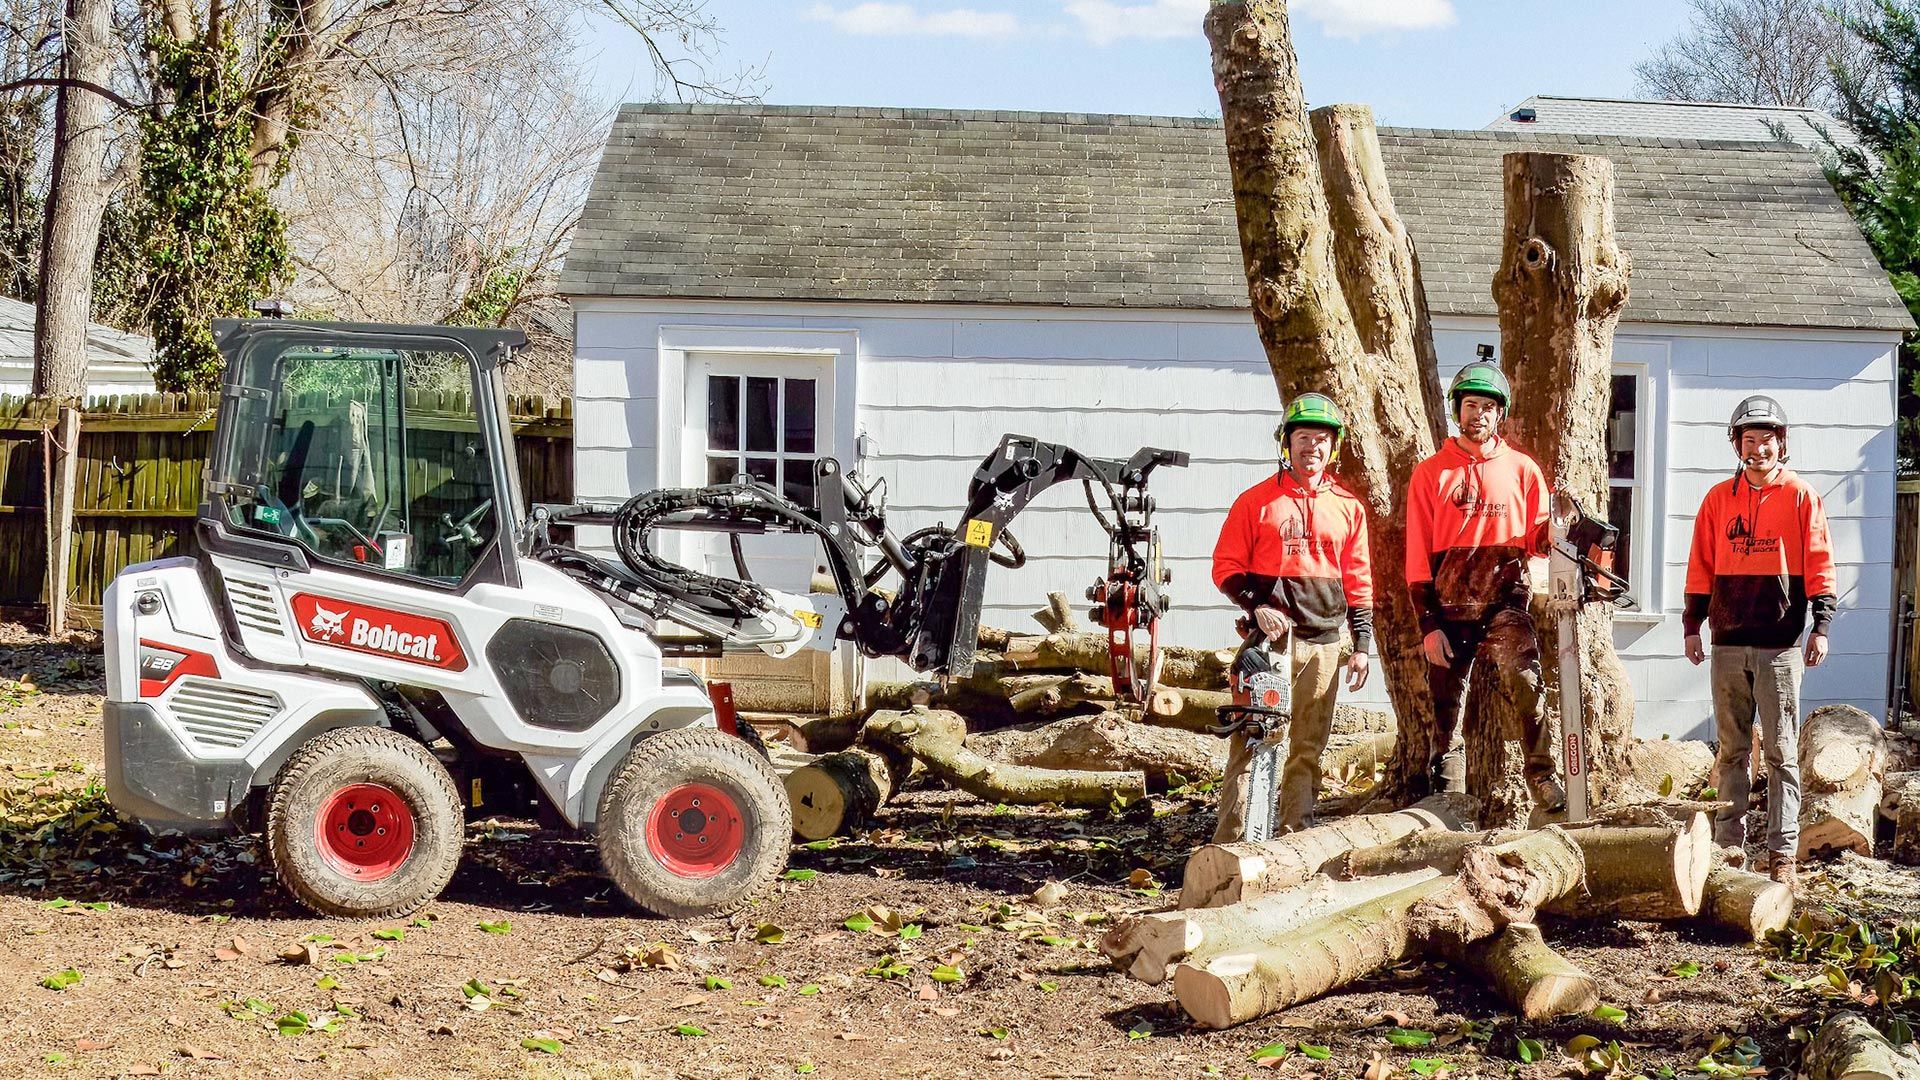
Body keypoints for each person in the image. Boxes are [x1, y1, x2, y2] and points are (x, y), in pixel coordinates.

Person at [1684, 395, 1835, 890]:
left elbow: (1819, 562)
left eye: (1767, 439)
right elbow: (1700, 567)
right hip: (1727, 641)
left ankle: (1781, 856)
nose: (1758, 448)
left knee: (1782, 751)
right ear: (1737, 446)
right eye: (1749, 440)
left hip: (1781, 644)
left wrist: (1821, 626)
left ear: (1781, 443)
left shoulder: (1800, 496)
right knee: (1731, 751)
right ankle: (1729, 851)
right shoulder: (1716, 500)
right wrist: (1692, 625)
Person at [1210, 393, 1373, 841]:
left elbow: (1358, 578)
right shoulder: (1256, 501)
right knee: (1252, 742)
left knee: (1307, 748)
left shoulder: (1348, 507)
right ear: (1287, 442)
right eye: (1304, 438)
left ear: (1333, 447)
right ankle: (1232, 841)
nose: (1312, 448)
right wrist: (1255, 606)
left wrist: (1361, 646)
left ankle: (1293, 839)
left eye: (1321, 440)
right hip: (1270, 646)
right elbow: (1225, 567)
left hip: (1325, 643)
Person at [1405, 359, 1562, 810]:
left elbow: (1537, 538)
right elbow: (1416, 555)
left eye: (1489, 406)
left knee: (1526, 679)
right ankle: (1445, 794)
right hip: (1448, 606)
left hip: (1505, 600)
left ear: (1500, 414)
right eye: (1471, 404)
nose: (1480, 414)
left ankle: (1541, 777)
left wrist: (1554, 535)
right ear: (1458, 410)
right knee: (1443, 704)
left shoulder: (1523, 470)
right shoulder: (1430, 473)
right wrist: (1427, 623)